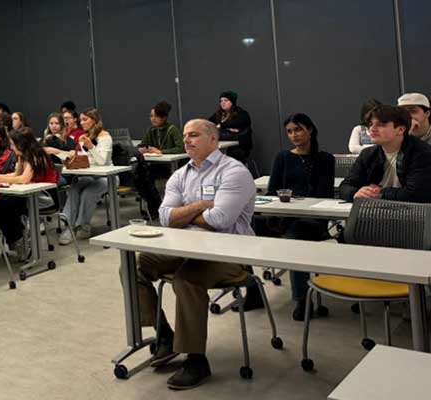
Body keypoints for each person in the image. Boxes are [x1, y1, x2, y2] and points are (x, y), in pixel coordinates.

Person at [139, 119, 256, 390]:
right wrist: (201, 204)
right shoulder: (181, 174)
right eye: (184, 136)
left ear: (213, 140)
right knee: (139, 264)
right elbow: (165, 217)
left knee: (187, 278)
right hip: (185, 247)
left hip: (229, 252)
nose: (186, 140)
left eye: (194, 135)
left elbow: (221, 220)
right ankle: (165, 336)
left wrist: (185, 213)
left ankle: (196, 359)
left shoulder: (234, 172)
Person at [262, 113, 335, 321]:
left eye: (298, 129)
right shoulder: (283, 157)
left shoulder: (325, 159)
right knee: (245, 226)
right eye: (290, 131)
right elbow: (272, 192)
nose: (294, 135)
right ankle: (251, 291)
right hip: (285, 216)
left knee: (296, 236)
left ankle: (302, 299)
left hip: (313, 219)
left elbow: (324, 194)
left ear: (310, 130)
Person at [0, 130, 58, 261]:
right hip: (30, 195)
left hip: (45, 197)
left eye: (13, 144)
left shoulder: (35, 156)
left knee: (5, 207)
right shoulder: (23, 155)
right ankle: (18, 240)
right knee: (0, 206)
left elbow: (24, 179)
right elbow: (16, 174)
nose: (11, 147)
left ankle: (19, 241)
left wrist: (1, 180)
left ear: (21, 144)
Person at [340, 104, 431, 203]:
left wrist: (380, 193)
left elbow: (416, 194)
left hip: (413, 214)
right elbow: (345, 186)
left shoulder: (422, 153)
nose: (372, 129)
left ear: (400, 129)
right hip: (374, 211)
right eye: (370, 124)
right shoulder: (368, 154)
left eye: (381, 124)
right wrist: (356, 193)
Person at [61, 108, 112, 242]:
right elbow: (86, 159)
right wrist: (74, 156)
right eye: (81, 119)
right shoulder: (85, 137)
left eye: (85, 119)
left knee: (89, 192)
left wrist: (90, 147)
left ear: (94, 120)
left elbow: (102, 162)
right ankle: (69, 225)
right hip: (90, 175)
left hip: (108, 177)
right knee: (74, 189)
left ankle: (83, 225)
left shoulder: (105, 136)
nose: (82, 122)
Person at [208, 90, 253, 163]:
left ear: (232, 102)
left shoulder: (242, 113)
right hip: (221, 143)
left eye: (226, 100)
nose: (223, 103)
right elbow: (209, 123)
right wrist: (227, 129)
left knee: (230, 157)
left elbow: (237, 123)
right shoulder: (219, 114)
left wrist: (221, 126)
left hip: (239, 147)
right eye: (221, 101)